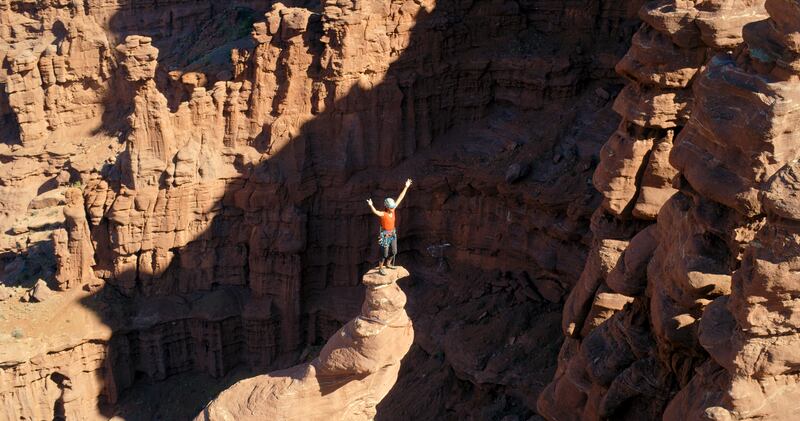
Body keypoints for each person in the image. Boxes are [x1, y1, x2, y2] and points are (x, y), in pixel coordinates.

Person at [366, 178, 412, 275]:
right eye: (391, 207)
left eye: (393, 207)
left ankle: (388, 264)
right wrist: (371, 205)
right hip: (385, 234)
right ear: (387, 207)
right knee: (384, 253)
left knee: (394, 251)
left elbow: (400, 197)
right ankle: (381, 268)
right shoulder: (383, 214)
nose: (393, 208)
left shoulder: (393, 209)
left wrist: (406, 187)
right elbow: (375, 212)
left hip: (392, 232)